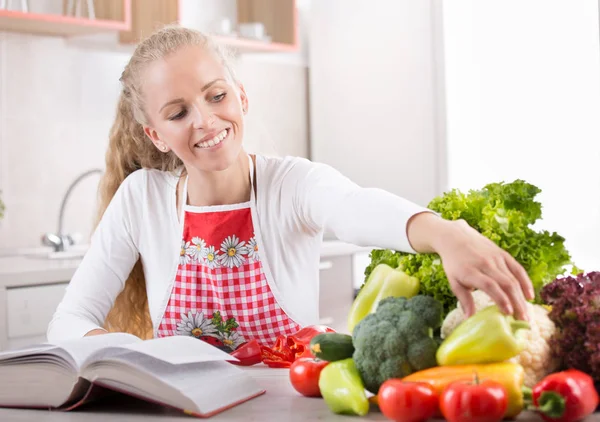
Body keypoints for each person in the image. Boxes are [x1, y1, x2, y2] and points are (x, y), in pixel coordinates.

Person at [46, 25, 534, 349]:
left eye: (216, 96)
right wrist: (137, 354)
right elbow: (67, 322)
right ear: (155, 134)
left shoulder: (291, 185)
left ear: (241, 96)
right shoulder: (142, 199)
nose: (206, 120)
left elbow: (355, 207)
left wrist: (447, 234)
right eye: (178, 113)